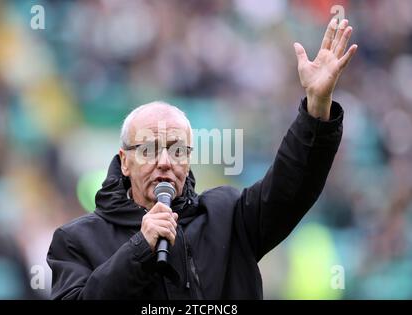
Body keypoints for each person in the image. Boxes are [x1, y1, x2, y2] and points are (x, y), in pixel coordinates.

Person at [47, 18, 357, 299]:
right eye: (150, 149)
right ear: (124, 161)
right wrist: (140, 247)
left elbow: (292, 185)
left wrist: (316, 107)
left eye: (178, 150)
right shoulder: (76, 240)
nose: (166, 161)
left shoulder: (227, 215)